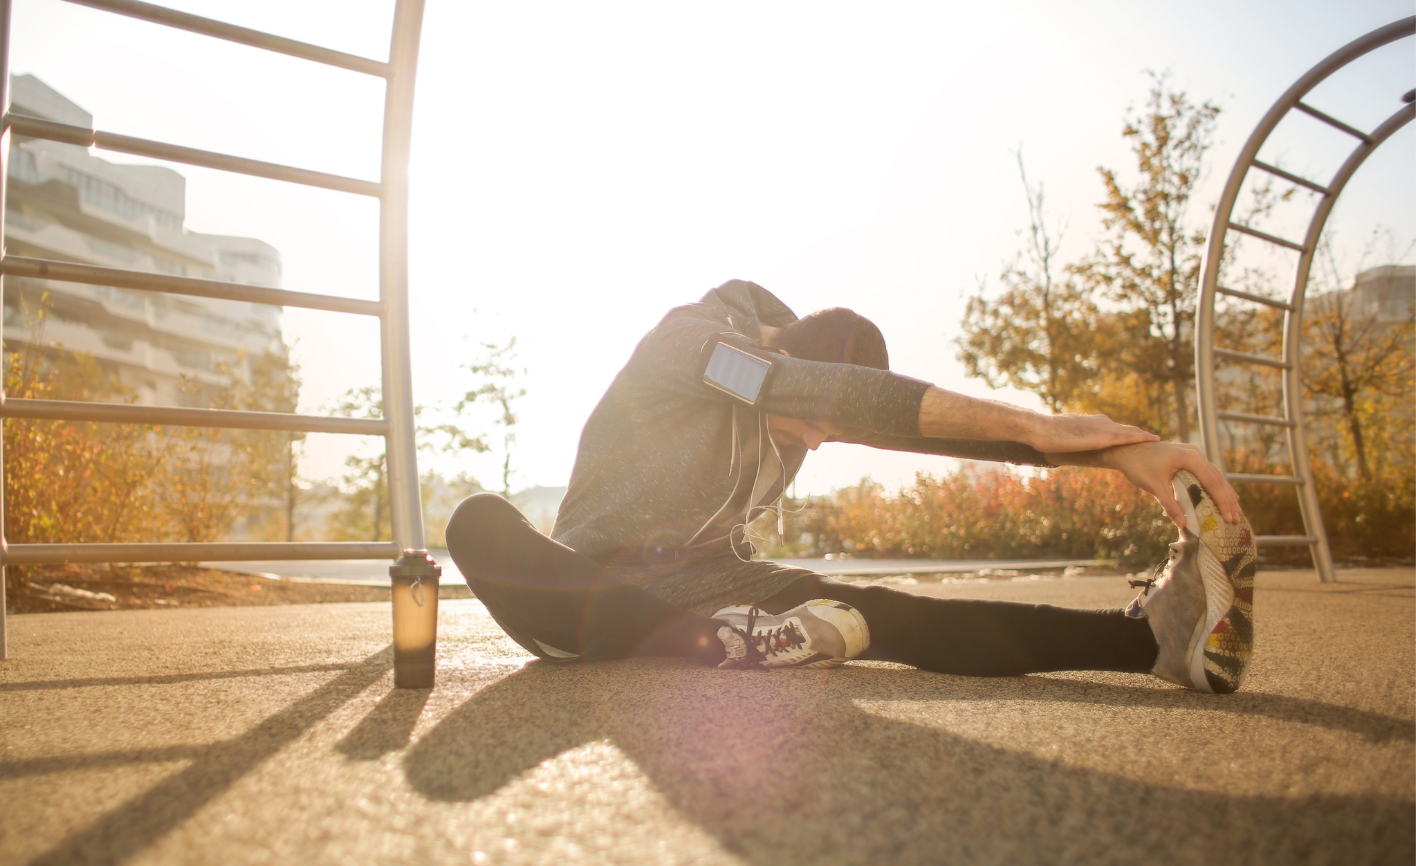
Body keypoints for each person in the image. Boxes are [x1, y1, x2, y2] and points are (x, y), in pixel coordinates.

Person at [445, 280, 1256, 693]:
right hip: (581, 596)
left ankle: (1149, 641)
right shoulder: (695, 345)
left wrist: (1112, 454)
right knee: (478, 522)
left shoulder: (805, 390)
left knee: (886, 611)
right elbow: (813, 395)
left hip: (714, 586)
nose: (821, 441)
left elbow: (905, 422)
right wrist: (1040, 425)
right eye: (819, 421)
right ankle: (724, 643)